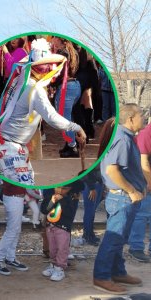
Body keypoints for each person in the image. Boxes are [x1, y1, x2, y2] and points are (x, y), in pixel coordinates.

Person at [0, 38, 86, 277]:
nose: (50, 71)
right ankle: (0, 258)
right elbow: (53, 118)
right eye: (47, 66)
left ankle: (9, 256)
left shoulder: (24, 76)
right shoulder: (35, 89)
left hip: (14, 145)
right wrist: (76, 127)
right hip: (8, 146)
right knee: (13, 219)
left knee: (19, 216)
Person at [93, 103, 146, 295]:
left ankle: (117, 272)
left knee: (119, 238)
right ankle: (101, 277)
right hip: (122, 198)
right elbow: (112, 171)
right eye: (141, 114)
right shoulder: (123, 139)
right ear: (131, 119)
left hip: (123, 199)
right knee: (113, 239)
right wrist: (132, 190)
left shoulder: (126, 137)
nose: (144, 117)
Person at [82, 117, 116, 246]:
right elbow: (89, 171)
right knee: (90, 211)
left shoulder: (106, 145)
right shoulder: (106, 147)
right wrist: (91, 187)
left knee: (92, 211)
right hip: (93, 183)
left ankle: (90, 235)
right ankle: (87, 236)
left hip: (99, 182)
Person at [41, 182, 83, 281]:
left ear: (70, 189)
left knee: (62, 248)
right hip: (50, 226)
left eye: (64, 188)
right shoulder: (50, 196)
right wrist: (52, 201)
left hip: (63, 228)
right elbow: (44, 210)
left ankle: (60, 268)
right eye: (58, 187)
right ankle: (53, 264)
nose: (60, 190)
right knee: (52, 248)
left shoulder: (71, 199)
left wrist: (63, 200)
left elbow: (70, 213)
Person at [51, 36, 82, 157]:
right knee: (68, 118)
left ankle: (72, 147)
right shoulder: (72, 51)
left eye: (53, 38)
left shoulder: (62, 53)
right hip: (74, 85)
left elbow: (57, 73)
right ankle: (69, 143)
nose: (52, 40)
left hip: (66, 87)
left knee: (64, 120)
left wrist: (51, 82)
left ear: (59, 40)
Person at [128, 122, 151, 262]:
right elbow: (144, 162)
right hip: (145, 181)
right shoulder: (146, 133)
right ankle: (136, 248)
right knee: (142, 215)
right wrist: (149, 182)